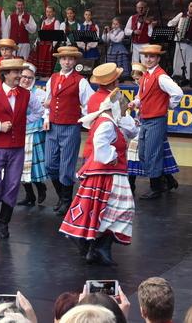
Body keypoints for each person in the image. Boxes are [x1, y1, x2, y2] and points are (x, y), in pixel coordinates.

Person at [59, 75, 137, 265]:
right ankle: (94, 244)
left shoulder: (107, 115)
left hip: (104, 171)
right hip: (107, 171)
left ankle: (92, 245)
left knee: (97, 209)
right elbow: (100, 142)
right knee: (119, 208)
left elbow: (128, 131)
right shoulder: (107, 121)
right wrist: (111, 156)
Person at [0, 58, 44, 239]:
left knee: (12, 185)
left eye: (20, 72)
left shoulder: (27, 94)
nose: (20, 75)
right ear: (5, 74)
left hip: (17, 147)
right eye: (16, 72)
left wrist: (22, 123)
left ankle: (4, 223)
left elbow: (39, 112)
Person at [43, 46, 95, 215]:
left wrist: (85, 121)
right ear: (59, 60)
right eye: (64, 58)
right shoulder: (53, 78)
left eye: (70, 59)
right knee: (50, 164)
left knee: (66, 166)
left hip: (70, 127)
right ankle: (62, 196)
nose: (67, 61)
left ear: (75, 61)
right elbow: (48, 100)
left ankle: (66, 200)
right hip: (52, 126)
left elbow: (89, 103)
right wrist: (46, 118)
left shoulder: (80, 81)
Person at [128, 44, 183, 199]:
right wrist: (135, 102)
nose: (148, 59)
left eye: (152, 56)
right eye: (146, 56)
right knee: (143, 153)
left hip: (156, 120)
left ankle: (156, 188)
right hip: (146, 119)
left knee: (152, 153)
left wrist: (166, 105)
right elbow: (141, 96)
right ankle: (167, 180)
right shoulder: (146, 75)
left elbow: (178, 93)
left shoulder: (161, 77)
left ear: (158, 58)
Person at [17, 63, 48, 206]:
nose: (26, 80)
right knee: (19, 164)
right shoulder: (14, 91)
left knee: (32, 163)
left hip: (34, 130)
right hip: (18, 130)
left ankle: (40, 187)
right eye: (24, 76)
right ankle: (29, 195)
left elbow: (45, 111)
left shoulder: (39, 93)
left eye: (30, 78)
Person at [168, 0, 192, 83]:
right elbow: (170, 23)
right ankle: (177, 77)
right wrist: (175, 28)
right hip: (180, 41)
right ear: (188, 6)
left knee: (191, 61)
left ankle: (189, 79)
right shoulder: (182, 15)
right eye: (191, 6)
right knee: (178, 60)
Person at [32, 6, 61, 77]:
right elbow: (41, 34)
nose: (48, 13)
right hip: (42, 45)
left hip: (50, 45)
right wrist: (35, 43)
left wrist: (53, 45)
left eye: (50, 12)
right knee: (41, 60)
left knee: (49, 61)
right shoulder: (44, 22)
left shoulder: (56, 22)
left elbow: (57, 35)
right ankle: (41, 75)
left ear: (53, 13)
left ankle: (49, 77)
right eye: (47, 12)